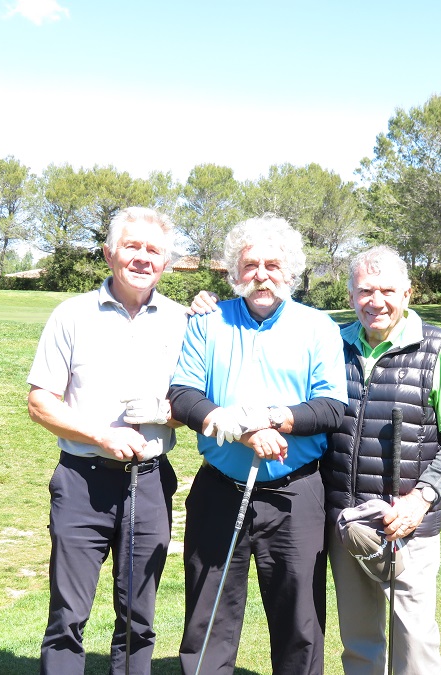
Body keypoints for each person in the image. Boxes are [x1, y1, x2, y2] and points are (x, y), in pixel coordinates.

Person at [168, 215, 348, 675]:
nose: (261, 275)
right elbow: (183, 395)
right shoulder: (208, 321)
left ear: (291, 272)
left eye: (273, 265)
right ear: (234, 271)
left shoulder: (318, 327)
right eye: (250, 265)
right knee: (208, 619)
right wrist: (240, 429)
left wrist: (269, 419)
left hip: (294, 495)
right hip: (219, 489)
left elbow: (331, 407)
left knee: (299, 625)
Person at [27, 207, 188, 675]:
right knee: (68, 616)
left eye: (153, 250)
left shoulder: (183, 321)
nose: (142, 257)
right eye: (131, 246)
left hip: (151, 482)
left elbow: (197, 404)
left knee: (139, 619)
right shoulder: (72, 315)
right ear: (108, 253)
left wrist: (165, 413)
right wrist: (101, 434)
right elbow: (40, 403)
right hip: (83, 481)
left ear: (166, 262)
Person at [322, 245, 441, 675]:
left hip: (406, 522)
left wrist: (421, 499)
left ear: (407, 294)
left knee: (413, 640)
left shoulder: (436, 347)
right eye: (365, 291)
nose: (376, 301)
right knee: (359, 641)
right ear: (351, 295)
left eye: (387, 291)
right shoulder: (332, 343)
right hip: (346, 519)